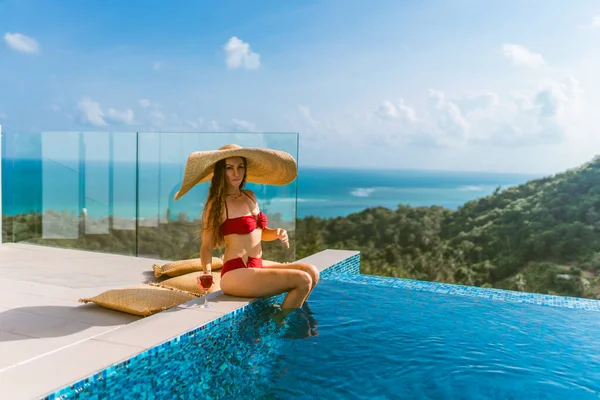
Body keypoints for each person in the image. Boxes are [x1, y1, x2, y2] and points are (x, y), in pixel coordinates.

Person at [173, 144, 319, 316]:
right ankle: (282, 326)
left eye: (240, 167)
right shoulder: (217, 204)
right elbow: (206, 246)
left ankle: (295, 314)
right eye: (230, 168)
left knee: (312, 272)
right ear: (221, 172)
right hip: (235, 272)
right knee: (303, 280)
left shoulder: (250, 196)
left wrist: (276, 232)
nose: (236, 173)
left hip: (256, 266)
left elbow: (259, 233)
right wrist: (207, 273)